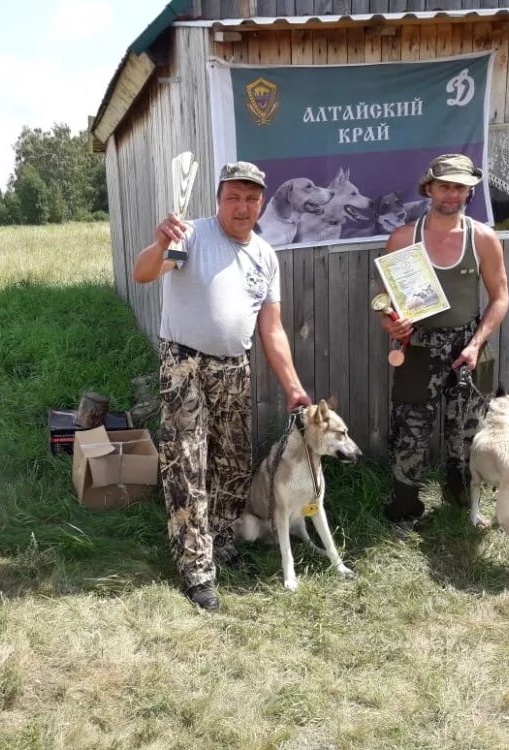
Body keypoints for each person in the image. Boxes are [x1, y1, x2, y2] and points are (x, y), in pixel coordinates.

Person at [132, 161, 312, 610]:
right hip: (184, 364)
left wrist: (292, 386)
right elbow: (143, 273)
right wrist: (159, 243)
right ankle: (196, 569)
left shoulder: (265, 256)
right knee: (187, 463)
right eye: (233, 197)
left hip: (235, 368)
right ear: (218, 200)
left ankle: (222, 542)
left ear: (262, 203)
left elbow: (271, 330)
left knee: (232, 461)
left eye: (251, 198)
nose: (242, 206)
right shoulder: (188, 235)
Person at [378, 153, 509, 526]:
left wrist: (476, 343)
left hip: (466, 347)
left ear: (469, 193)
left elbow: (500, 297)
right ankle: (404, 509)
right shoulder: (404, 238)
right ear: (429, 188)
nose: (452, 195)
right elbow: (383, 297)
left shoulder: (482, 238)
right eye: (445, 186)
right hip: (418, 347)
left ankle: (463, 503)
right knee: (411, 432)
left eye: (460, 188)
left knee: (467, 431)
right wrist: (390, 323)